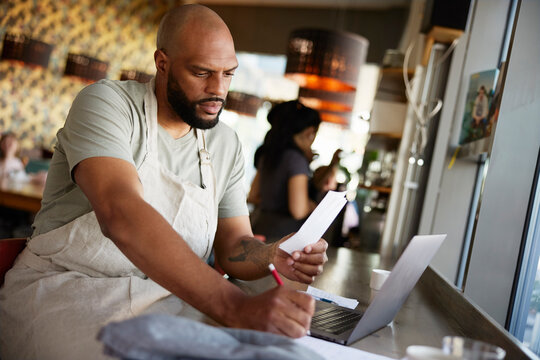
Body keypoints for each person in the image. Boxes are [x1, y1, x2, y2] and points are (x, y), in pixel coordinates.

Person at [0, 5, 328, 360]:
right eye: (202, 73)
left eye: (228, 74)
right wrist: (235, 306)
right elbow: (120, 211)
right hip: (69, 293)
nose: (218, 90)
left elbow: (233, 245)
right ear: (162, 63)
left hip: (173, 299)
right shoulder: (107, 104)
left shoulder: (225, 144)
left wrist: (271, 254)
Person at [248, 100, 337, 243]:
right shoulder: (296, 160)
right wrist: (315, 206)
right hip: (282, 238)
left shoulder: (269, 154)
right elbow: (298, 210)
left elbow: (253, 196)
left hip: (259, 229)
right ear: (309, 132)